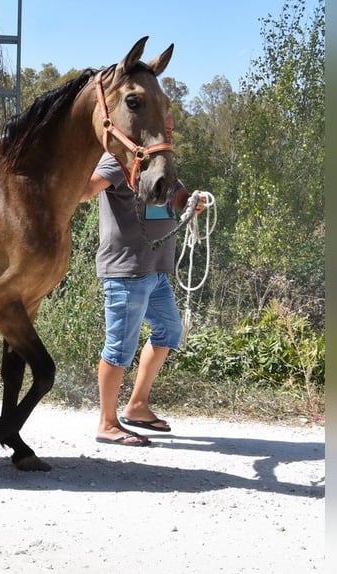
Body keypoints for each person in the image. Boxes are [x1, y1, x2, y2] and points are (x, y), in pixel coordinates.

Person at [80, 152, 207, 446]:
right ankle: (107, 424)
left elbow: (179, 198)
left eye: (169, 129)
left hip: (156, 269)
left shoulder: (163, 166)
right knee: (120, 346)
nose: (166, 133)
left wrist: (194, 203)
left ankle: (136, 407)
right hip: (127, 271)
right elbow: (86, 190)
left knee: (169, 331)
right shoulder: (117, 161)